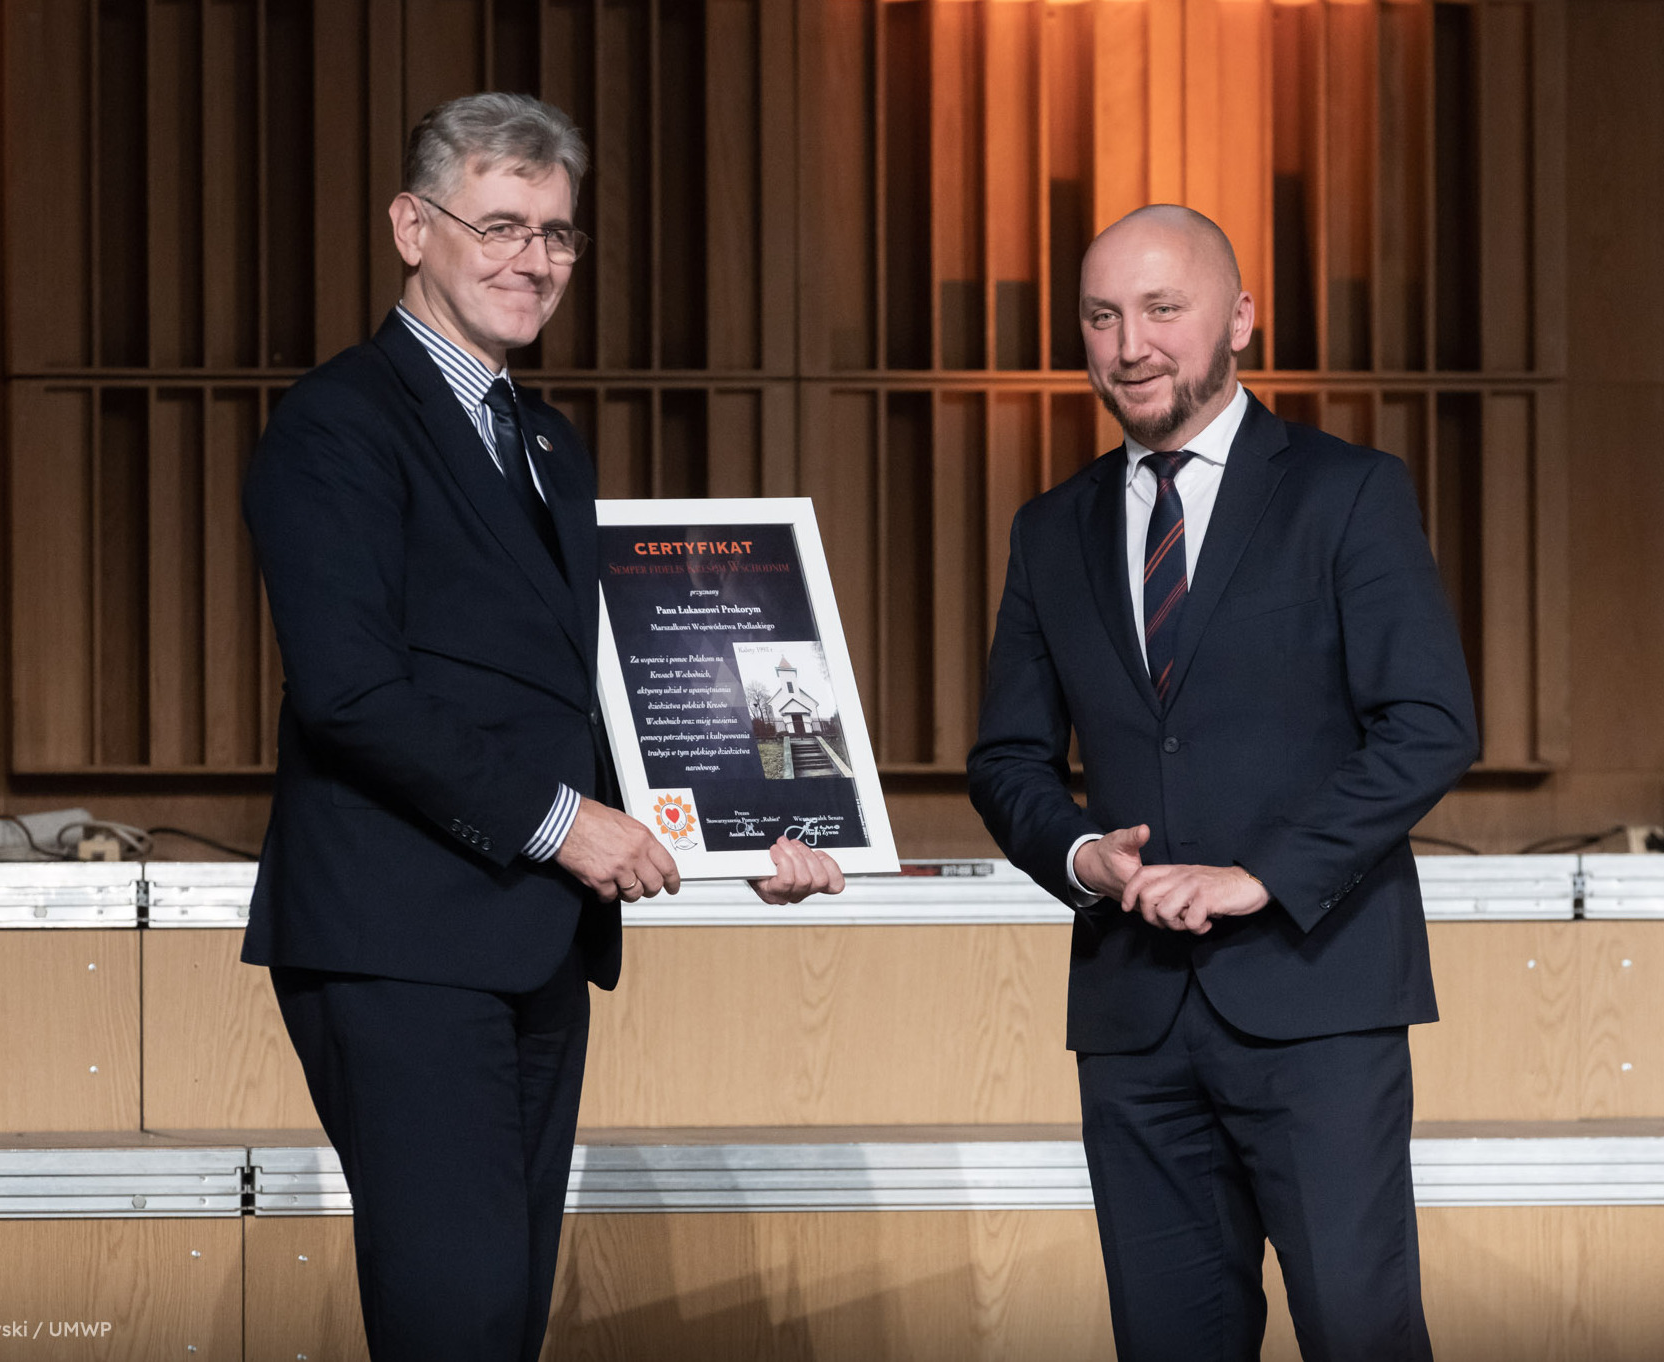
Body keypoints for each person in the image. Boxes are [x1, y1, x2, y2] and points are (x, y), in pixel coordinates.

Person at [243, 92, 842, 1360]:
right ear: (413, 227)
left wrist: (749, 829)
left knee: (503, 1319)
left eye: (558, 234)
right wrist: (567, 825)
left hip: (528, 941)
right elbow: (349, 693)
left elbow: (587, 697)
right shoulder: (338, 423)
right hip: (400, 940)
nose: (534, 260)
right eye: (501, 224)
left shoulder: (550, 447)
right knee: (453, 1313)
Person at [967, 204, 1478, 1361]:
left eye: (1161, 309)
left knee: (1360, 1332)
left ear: (1241, 317)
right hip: (1133, 1016)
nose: (1129, 344)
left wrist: (1263, 875)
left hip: (1315, 997)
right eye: (1101, 316)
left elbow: (1431, 724)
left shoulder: (1349, 493)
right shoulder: (1050, 529)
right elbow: (1006, 759)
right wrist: (1080, 856)